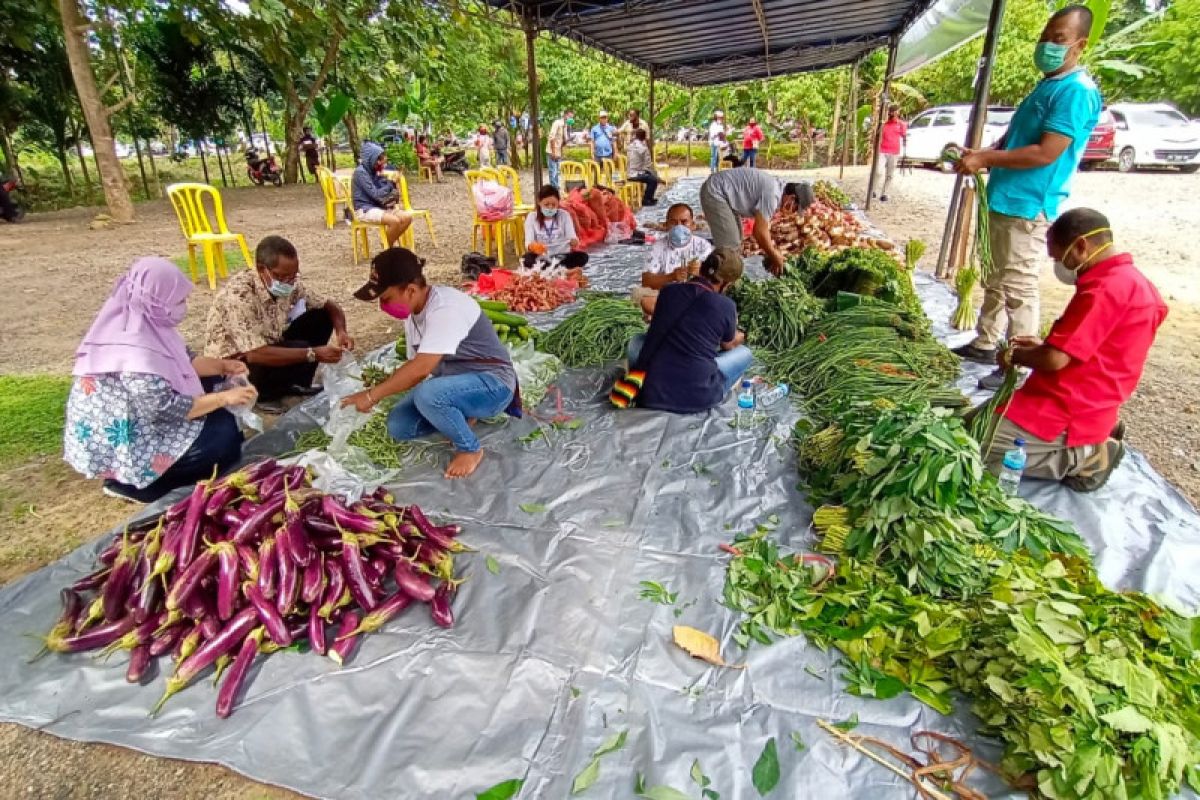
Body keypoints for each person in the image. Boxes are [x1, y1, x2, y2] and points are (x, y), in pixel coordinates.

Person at [952, 4, 1102, 390]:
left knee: (1018, 286)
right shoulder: (1049, 84)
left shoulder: (1076, 91)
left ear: (1079, 45)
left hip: (1029, 202)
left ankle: (1017, 367)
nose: (1047, 46)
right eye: (1044, 37)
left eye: (1059, 39)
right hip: (1007, 196)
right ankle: (987, 342)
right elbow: (1019, 139)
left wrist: (986, 158)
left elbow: (1046, 152)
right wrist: (982, 155)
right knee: (996, 276)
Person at [980, 209, 1166, 492]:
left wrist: (1013, 355)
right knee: (968, 424)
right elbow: (1100, 349)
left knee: (973, 446)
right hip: (1079, 397)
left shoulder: (1105, 289)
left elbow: (1055, 360)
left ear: (1081, 246)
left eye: (1058, 257)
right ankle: (1093, 438)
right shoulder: (1135, 283)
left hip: (1068, 410)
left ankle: (1086, 456)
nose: (1058, 266)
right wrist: (1044, 347)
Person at [64, 257, 255, 503]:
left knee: (219, 391)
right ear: (156, 300)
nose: (183, 306)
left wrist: (223, 365)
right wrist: (223, 398)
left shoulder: (141, 319)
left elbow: (184, 363)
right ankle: (134, 485)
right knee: (222, 443)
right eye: (178, 301)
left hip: (143, 415)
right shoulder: (135, 351)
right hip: (130, 443)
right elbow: (163, 409)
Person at [341, 248, 517, 480]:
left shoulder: (445, 309)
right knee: (399, 426)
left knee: (428, 394)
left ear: (411, 290)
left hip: (493, 385)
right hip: (457, 384)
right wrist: (384, 389)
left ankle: (470, 448)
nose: (383, 306)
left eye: (386, 298)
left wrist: (372, 395)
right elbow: (413, 365)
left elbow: (421, 370)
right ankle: (462, 414)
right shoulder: (414, 314)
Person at [204, 236, 355, 413]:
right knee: (301, 348)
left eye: (293, 276)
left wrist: (341, 331)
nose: (289, 282)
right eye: (282, 277)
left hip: (267, 343)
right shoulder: (239, 295)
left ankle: (295, 384)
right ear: (262, 269)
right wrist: (312, 353)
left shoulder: (289, 284)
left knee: (320, 317)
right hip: (237, 364)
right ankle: (264, 395)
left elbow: (329, 306)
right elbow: (254, 353)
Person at [626, 247, 753, 414]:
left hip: (650, 393)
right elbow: (728, 345)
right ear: (726, 284)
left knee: (636, 341)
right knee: (744, 353)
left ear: (701, 269)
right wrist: (742, 335)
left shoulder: (668, 291)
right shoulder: (726, 306)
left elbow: (650, 311)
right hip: (698, 396)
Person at [699, 168, 814, 276]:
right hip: (715, 193)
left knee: (736, 244)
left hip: (723, 194)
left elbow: (762, 230)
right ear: (792, 198)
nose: (792, 212)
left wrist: (771, 253)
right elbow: (759, 232)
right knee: (729, 247)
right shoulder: (773, 194)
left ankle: (720, 278)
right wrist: (773, 254)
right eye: (795, 208)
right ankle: (714, 281)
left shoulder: (776, 189)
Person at [633, 202, 713, 311]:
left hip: (696, 294)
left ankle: (668, 315)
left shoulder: (704, 246)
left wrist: (699, 273)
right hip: (667, 294)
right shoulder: (658, 247)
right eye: (674, 223)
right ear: (665, 226)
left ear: (693, 225)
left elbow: (714, 279)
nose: (679, 227)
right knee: (641, 295)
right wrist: (672, 277)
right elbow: (646, 281)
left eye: (684, 222)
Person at [351, 141, 412, 247]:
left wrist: (393, 184)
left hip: (379, 206)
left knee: (407, 217)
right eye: (379, 161)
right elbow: (376, 194)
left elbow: (387, 194)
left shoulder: (375, 171)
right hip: (365, 209)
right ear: (372, 159)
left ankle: (387, 244)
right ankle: (388, 248)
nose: (381, 165)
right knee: (394, 222)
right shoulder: (360, 173)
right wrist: (390, 184)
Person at [524, 185, 588, 268]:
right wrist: (533, 246)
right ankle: (557, 268)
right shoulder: (532, 217)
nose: (550, 207)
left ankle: (553, 268)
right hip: (542, 256)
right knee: (526, 259)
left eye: (554, 205)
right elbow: (528, 242)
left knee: (583, 257)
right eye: (546, 204)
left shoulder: (564, 215)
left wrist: (574, 241)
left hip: (562, 255)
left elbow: (572, 236)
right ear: (539, 202)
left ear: (558, 203)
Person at [876, 105, 906, 201]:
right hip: (883, 150)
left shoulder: (900, 124)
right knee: (878, 171)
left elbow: (904, 135)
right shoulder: (884, 124)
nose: (896, 114)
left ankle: (884, 193)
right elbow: (878, 135)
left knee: (889, 174)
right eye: (894, 112)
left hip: (894, 152)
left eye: (897, 112)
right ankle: (873, 190)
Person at [625, 128, 659, 207]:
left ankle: (648, 198)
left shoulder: (630, 146)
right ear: (644, 137)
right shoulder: (644, 149)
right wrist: (656, 176)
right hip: (636, 174)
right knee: (653, 180)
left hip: (629, 172)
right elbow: (648, 165)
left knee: (650, 176)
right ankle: (647, 199)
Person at [547, 109, 573, 189]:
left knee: (557, 172)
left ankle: (556, 189)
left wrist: (571, 139)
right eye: (569, 117)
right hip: (552, 151)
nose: (571, 119)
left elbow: (564, 141)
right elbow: (552, 138)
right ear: (565, 115)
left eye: (572, 117)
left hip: (558, 152)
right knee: (553, 172)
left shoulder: (565, 126)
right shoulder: (557, 123)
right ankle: (553, 190)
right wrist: (553, 152)